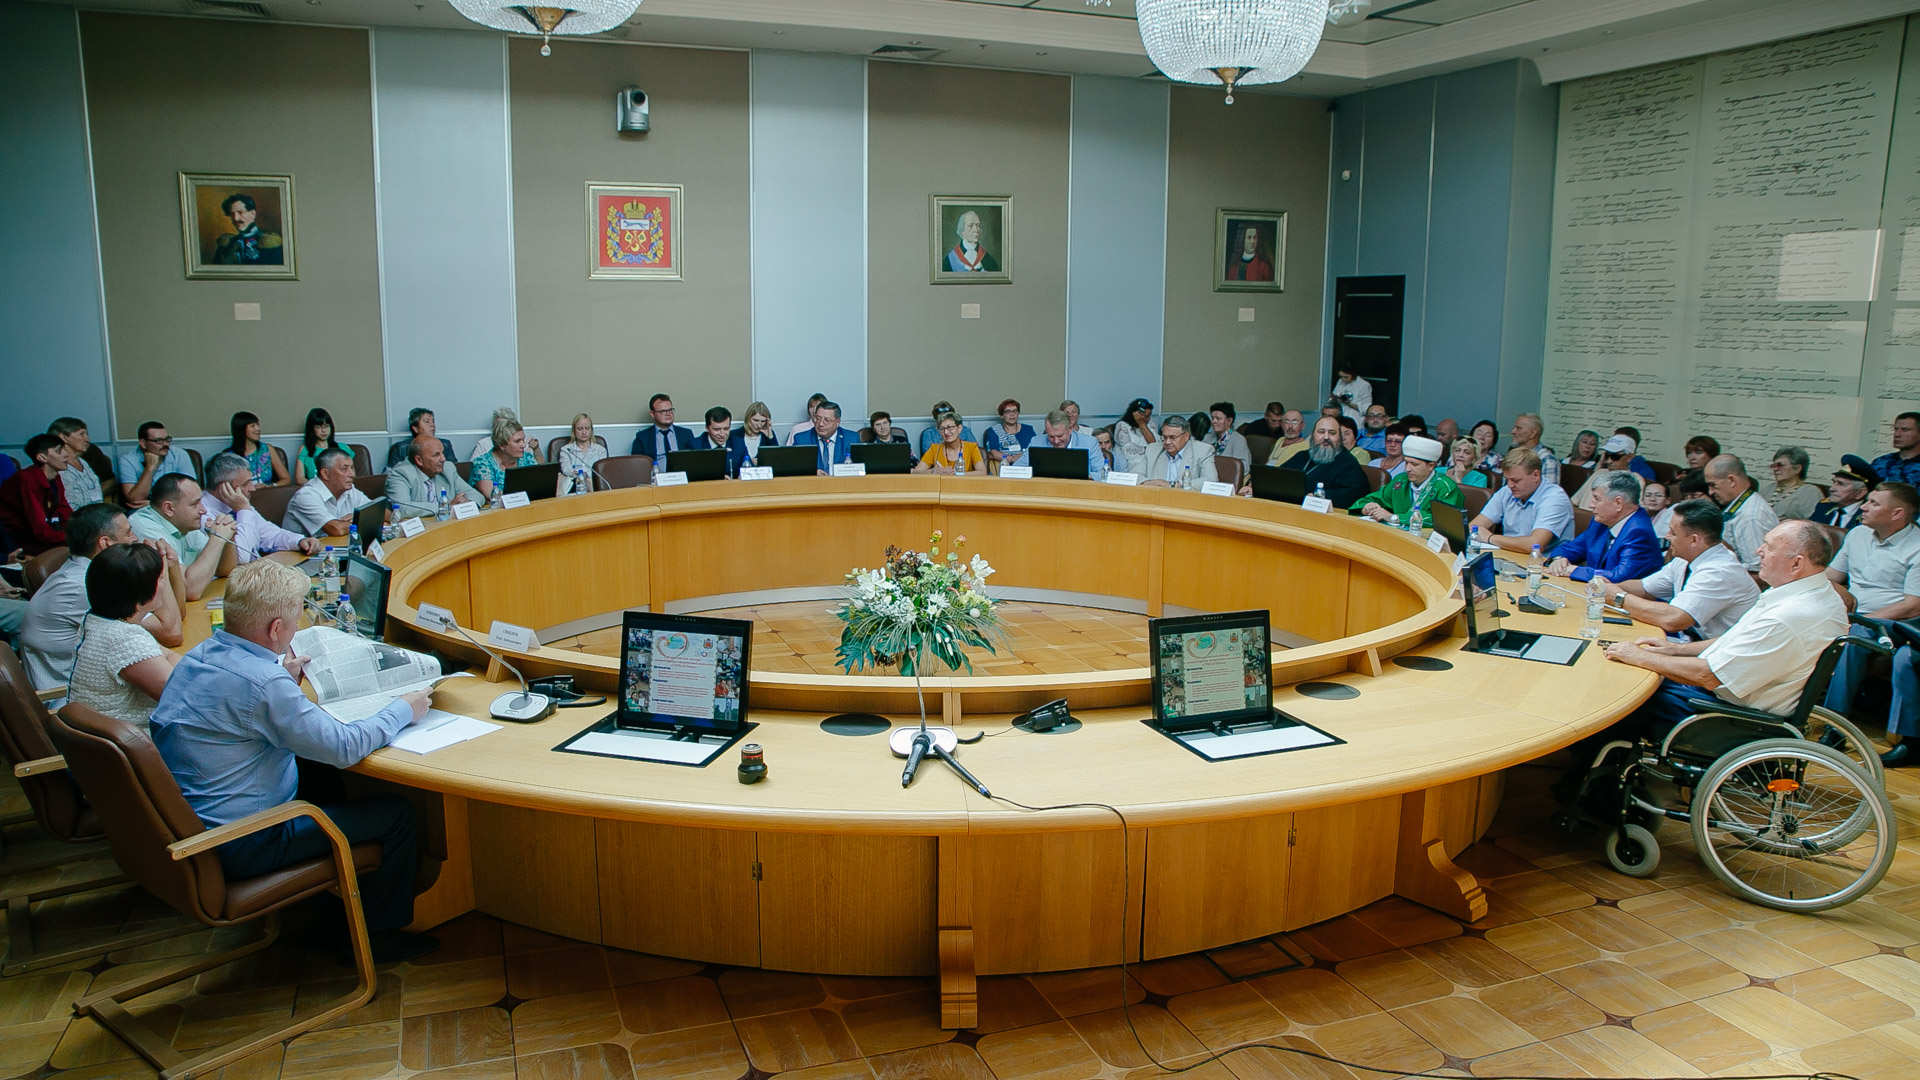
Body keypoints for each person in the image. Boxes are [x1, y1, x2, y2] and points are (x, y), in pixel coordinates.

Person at [149, 558, 438, 963]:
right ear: (275, 629)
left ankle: (329, 905)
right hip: (245, 841)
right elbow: (344, 746)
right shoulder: (264, 682)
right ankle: (378, 936)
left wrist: (282, 683)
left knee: (322, 777)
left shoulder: (200, 655)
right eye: (296, 617)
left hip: (197, 825)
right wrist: (404, 708)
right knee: (398, 815)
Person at [1605, 521, 1846, 737]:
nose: (1758, 551)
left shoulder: (1788, 616)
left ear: (1796, 563)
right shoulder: (1814, 594)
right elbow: (1735, 639)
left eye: (1769, 547)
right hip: (1731, 695)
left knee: (1622, 697)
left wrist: (1639, 656)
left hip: (1729, 715)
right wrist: (1676, 650)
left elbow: (1708, 676)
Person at [22, 503, 183, 692]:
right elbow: (170, 633)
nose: (135, 538)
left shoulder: (91, 573)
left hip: (98, 685)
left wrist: (172, 567)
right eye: (128, 533)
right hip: (67, 698)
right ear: (106, 543)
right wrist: (158, 568)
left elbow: (177, 616)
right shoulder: (86, 585)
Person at [1820, 482, 1920, 725]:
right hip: (1850, 612)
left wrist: (1859, 619)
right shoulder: (1858, 534)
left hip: (1894, 622)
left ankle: (1835, 721)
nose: (1863, 507)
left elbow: (1912, 606)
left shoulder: (1917, 547)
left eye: (1874, 503)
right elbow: (1831, 577)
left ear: (1897, 513)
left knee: (1855, 635)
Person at [1594, 499, 1758, 642]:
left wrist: (1618, 596)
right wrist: (1608, 587)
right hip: (1689, 642)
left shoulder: (1718, 571)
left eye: (1672, 532)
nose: (1667, 536)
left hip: (1714, 652)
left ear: (1694, 540)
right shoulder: (1685, 559)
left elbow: (1673, 619)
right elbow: (1644, 588)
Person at [69, 543, 180, 730]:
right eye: (160, 578)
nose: (164, 584)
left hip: (105, 737)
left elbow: (169, 655)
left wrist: (173, 665)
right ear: (140, 595)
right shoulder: (123, 638)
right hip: (133, 742)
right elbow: (182, 696)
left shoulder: (97, 620)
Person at [129, 473, 238, 602]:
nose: (203, 510)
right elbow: (189, 591)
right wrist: (217, 540)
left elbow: (224, 570)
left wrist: (227, 537)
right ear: (169, 508)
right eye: (195, 504)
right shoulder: (145, 529)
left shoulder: (183, 522)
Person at [201, 453, 322, 563]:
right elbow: (242, 557)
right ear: (224, 488)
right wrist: (243, 509)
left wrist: (300, 541)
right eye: (245, 484)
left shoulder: (238, 505)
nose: (252, 488)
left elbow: (273, 535)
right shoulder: (203, 514)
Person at [1545, 472, 1662, 584]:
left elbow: (1618, 577)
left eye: (1597, 499)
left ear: (1618, 503)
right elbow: (1572, 548)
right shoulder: (1601, 521)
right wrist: (1559, 559)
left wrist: (1574, 570)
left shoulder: (1639, 532)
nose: (1591, 505)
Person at [1469, 448, 1576, 554]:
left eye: (1516, 480)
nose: (1510, 485)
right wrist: (1479, 533)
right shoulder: (1507, 491)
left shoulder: (1555, 499)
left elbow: (1534, 546)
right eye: (1507, 479)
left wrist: (1490, 537)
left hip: (1542, 562)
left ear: (1536, 475)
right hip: (1509, 555)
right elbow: (1474, 527)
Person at [1351, 436, 1460, 525]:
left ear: (1431, 466)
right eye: (1406, 462)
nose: (1408, 468)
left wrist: (1394, 517)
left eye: (1414, 464)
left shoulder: (1445, 487)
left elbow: (1443, 521)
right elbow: (1377, 498)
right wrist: (1367, 506)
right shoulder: (1401, 480)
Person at [1265, 416, 1368, 509]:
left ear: (1339, 438)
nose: (1326, 437)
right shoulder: (1302, 456)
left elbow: (1353, 494)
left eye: (1332, 433)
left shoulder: (1348, 463)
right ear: (1313, 435)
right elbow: (1278, 476)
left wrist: (1320, 496)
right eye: (1321, 432)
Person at [0, 434, 76, 557]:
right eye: (58, 451)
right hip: (17, 544)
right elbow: (40, 531)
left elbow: (65, 512)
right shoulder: (26, 480)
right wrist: (76, 537)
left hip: (44, 537)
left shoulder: (55, 478)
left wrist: (82, 530)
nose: (66, 455)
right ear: (42, 457)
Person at [1705, 454, 1779, 573]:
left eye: (1713, 485)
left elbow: (1758, 572)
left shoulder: (1750, 518)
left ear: (1731, 480)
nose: (1710, 492)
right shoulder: (1744, 504)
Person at [285, 449, 380, 537]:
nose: (352, 474)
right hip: (302, 549)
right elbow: (336, 529)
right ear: (325, 474)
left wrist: (363, 518)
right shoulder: (306, 496)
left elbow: (382, 513)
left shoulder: (349, 490)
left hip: (336, 546)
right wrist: (362, 519)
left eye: (351, 468)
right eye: (344, 469)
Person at [386, 437, 481, 519]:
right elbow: (401, 508)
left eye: (442, 453)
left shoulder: (447, 469)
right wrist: (446, 507)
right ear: (419, 460)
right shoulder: (401, 474)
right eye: (436, 455)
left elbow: (477, 496)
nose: (443, 459)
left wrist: (465, 505)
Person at [117, 421, 197, 509]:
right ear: (143, 443)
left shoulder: (180, 455)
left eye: (167, 439)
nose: (165, 444)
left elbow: (191, 492)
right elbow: (135, 500)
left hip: (175, 507)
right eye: (159, 441)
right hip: (142, 509)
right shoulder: (128, 461)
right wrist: (149, 468)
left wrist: (154, 503)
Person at [1141, 415, 1218, 492]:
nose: (1167, 442)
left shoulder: (1203, 451)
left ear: (1186, 436)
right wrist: (1149, 483)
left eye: (1172, 438)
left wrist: (1174, 485)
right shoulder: (1152, 450)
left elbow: (1211, 480)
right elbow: (1135, 476)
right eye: (1164, 437)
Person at [470, 419, 537, 502]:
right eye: (517, 441)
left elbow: (539, 486)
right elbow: (492, 496)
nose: (523, 445)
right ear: (501, 444)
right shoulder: (481, 464)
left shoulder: (527, 458)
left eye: (523, 440)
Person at [47, 417, 106, 508]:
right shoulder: (55, 465)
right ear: (64, 437)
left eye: (87, 434)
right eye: (81, 434)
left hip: (95, 513)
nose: (87, 439)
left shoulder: (83, 463)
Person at [212, 193, 283, 265]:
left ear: (253, 214)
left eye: (240, 212)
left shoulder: (268, 242)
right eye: (232, 214)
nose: (235, 218)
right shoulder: (228, 243)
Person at [1034, 411, 1106, 482]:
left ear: (1070, 429)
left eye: (1060, 436)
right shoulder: (1036, 442)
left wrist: (1081, 476)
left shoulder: (1089, 443)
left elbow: (1103, 474)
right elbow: (1026, 470)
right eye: (1051, 436)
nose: (1056, 441)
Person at [227, 411, 290, 488]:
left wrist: (270, 486)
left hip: (266, 493)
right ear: (241, 429)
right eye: (252, 426)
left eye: (257, 425)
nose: (258, 429)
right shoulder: (229, 456)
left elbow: (286, 479)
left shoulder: (267, 449)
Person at [792, 401, 856, 474]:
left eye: (827, 420)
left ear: (837, 422)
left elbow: (861, 468)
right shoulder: (801, 440)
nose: (821, 424)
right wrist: (812, 472)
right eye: (818, 418)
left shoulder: (851, 439)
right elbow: (793, 468)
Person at [1813, 456, 1875, 531]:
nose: (1832, 489)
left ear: (1860, 493)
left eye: (1841, 484)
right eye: (1834, 482)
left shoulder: (1869, 515)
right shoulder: (1823, 506)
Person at [915, 414, 988, 476]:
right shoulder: (934, 449)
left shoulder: (971, 447)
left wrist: (958, 473)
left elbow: (982, 472)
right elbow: (914, 472)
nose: (946, 432)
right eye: (942, 429)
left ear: (959, 428)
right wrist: (932, 471)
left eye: (949, 428)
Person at [387, 408, 458, 469]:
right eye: (427, 422)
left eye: (433, 421)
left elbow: (454, 469)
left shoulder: (445, 444)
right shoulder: (400, 448)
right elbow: (390, 473)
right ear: (415, 428)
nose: (432, 425)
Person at [1764, 446, 1821, 521]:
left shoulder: (1810, 492)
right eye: (1774, 466)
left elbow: (1814, 523)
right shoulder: (1768, 489)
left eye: (1780, 465)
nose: (1775, 469)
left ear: (1797, 469)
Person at [556, 414, 607, 496]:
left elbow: (601, 473)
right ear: (574, 431)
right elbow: (566, 470)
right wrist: (579, 475)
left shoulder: (600, 450)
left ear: (591, 430)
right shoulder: (566, 450)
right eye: (580, 429)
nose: (584, 432)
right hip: (573, 488)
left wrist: (585, 476)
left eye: (587, 428)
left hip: (594, 487)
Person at [292, 408, 346, 487]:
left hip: (339, 489)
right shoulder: (304, 450)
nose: (324, 430)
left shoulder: (342, 448)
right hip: (314, 489)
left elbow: (351, 476)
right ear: (312, 429)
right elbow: (299, 479)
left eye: (326, 426)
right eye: (319, 427)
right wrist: (319, 488)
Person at [633, 394, 695, 460]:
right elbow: (638, 463)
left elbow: (694, 460)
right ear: (652, 414)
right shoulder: (642, 438)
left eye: (670, 410)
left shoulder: (686, 434)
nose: (668, 414)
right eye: (663, 411)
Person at [1508, 414, 1560, 489]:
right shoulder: (1514, 454)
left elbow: (1549, 491)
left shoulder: (1547, 459)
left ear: (1533, 434)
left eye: (1519, 428)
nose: (1512, 431)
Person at [691, 407, 743, 478]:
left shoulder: (738, 443)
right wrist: (718, 478)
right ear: (707, 428)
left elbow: (749, 468)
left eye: (726, 429)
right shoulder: (694, 446)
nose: (722, 434)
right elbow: (692, 476)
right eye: (717, 429)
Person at [982, 399, 1036, 468]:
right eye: (1007, 412)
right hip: (1004, 466)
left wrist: (1022, 458)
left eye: (1015, 411)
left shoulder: (1028, 430)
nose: (1012, 414)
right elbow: (992, 453)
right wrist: (1011, 458)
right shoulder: (994, 431)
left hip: (1027, 466)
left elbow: (1035, 450)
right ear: (1002, 415)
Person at [1112, 399, 1158, 476]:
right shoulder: (1122, 426)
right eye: (1145, 417)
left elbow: (1153, 444)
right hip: (1129, 461)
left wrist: (1142, 424)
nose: (1148, 419)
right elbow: (1128, 450)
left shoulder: (1150, 424)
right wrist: (1147, 450)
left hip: (1148, 459)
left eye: (1149, 416)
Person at [1204, 403, 1251, 473]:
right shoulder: (1207, 437)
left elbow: (1243, 467)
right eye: (1212, 418)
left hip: (1228, 476)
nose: (1214, 422)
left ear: (1229, 421)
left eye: (1218, 419)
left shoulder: (1238, 440)